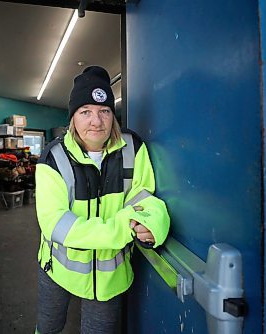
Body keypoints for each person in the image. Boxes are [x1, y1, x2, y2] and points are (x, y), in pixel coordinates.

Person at [34, 66, 170, 333]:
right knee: (48, 327)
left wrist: (154, 223)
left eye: (104, 111)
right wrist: (122, 228)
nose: (96, 121)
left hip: (110, 276)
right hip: (57, 268)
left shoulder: (134, 148)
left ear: (113, 116)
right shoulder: (53, 158)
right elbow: (55, 223)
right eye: (85, 112)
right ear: (73, 119)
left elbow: (144, 196)